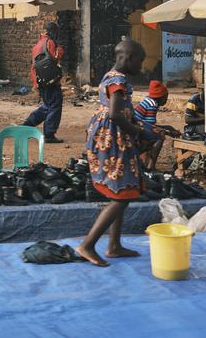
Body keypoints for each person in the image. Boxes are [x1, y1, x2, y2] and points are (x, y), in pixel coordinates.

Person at [77, 39, 158, 267]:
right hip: (113, 138)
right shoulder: (119, 80)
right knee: (121, 195)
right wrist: (138, 132)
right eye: (140, 61)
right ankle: (88, 245)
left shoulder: (110, 75)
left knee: (120, 191)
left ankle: (114, 246)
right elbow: (114, 114)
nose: (141, 67)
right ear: (129, 58)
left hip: (112, 135)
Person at [22, 21, 65, 143]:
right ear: (53, 31)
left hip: (40, 81)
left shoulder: (39, 44)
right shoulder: (50, 42)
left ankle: (28, 124)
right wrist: (60, 49)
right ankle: (49, 134)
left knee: (48, 105)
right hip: (50, 81)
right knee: (55, 104)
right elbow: (55, 58)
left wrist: (35, 83)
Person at [134, 80, 181, 170]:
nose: (166, 100)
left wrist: (168, 128)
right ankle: (151, 167)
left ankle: (144, 164)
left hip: (138, 126)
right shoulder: (152, 105)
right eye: (165, 97)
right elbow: (152, 127)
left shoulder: (148, 100)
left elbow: (149, 125)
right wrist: (168, 131)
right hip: (137, 128)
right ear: (160, 97)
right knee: (160, 136)